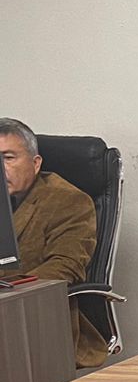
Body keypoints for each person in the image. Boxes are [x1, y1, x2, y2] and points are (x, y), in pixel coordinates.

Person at [0, 117, 107, 366]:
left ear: (36, 163)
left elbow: (65, 267)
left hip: (37, 320)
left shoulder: (67, 201)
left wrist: (8, 292)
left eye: (8, 158)